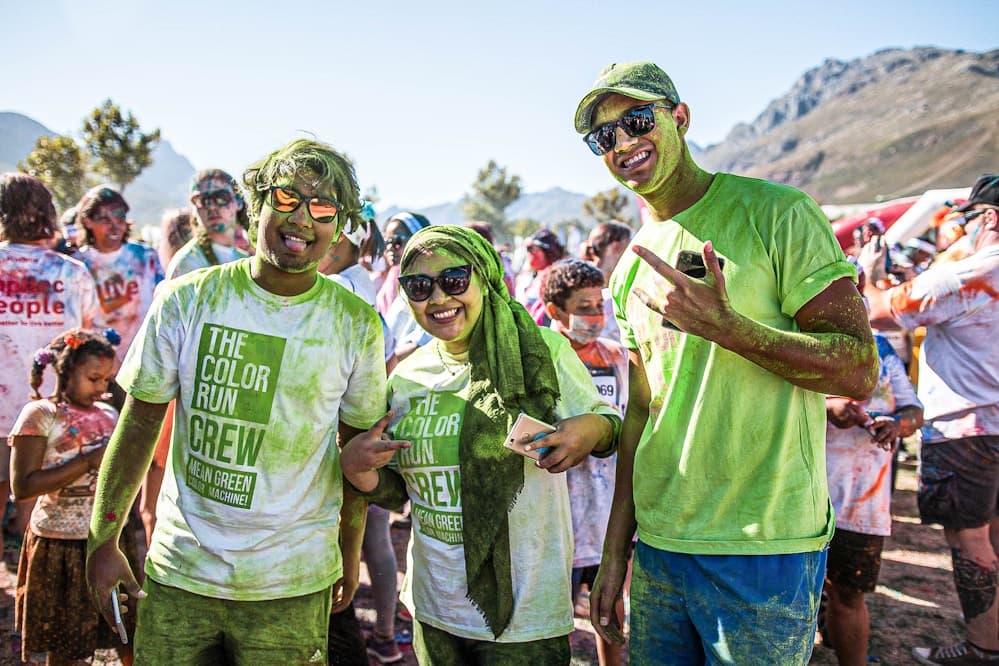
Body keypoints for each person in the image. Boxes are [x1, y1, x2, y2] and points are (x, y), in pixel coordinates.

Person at [573, 61, 878, 664]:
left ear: (679, 119)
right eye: (604, 137)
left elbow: (858, 368)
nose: (623, 143)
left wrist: (733, 331)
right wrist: (616, 552)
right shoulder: (632, 265)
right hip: (661, 546)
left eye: (637, 121)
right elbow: (640, 414)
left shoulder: (778, 213)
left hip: (763, 546)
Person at [85, 138, 388, 664]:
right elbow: (138, 427)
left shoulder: (355, 323)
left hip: (292, 581)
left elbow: (354, 443)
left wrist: (350, 545)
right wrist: (103, 539)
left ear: (339, 228)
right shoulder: (186, 298)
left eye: (323, 209)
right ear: (256, 206)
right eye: (287, 199)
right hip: (182, 571)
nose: (302, 220)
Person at [341, 225, 620, 664]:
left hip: (524, 614)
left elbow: (609, 425)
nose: (437, 298)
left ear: (486, 278)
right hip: (436, 608)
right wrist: (358, 468)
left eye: (454, 280)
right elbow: (403, 489)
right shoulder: (406, 380)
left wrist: (588, 430)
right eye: (418, 286)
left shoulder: (542, 352)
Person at [860, 172, 999, 665]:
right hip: (988, 422)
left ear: (990, 219)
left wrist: (873, 273)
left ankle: (984, 647)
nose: (961, 234)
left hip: (968, 426)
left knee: (969, 538)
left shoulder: (971, 270)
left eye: (967, 222)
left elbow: (877, 312)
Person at [9, 328, 136, 665]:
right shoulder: (39, 415)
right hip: (60, 545)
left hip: (108, 541)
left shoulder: (109, 415)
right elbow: (22, 486)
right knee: (66, 644)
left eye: (107, 380)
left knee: (129, 631)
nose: (101, 388)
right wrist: (88, 460)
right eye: (94, 378)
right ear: (66, 371)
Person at [822, 261, 924, 666]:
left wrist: (897, 424)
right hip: (806, 498)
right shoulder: (804, 344)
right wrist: (829, 408)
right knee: (801, 593)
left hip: (862, 505)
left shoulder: (881, 349)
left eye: (860, 293)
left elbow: (915, 410)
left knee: (850, 594)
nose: (855, 302)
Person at [1, 173, 103, 564]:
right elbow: (87, 340)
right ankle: (32, 593)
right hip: (52, 413)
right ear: (47, 211)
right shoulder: (70, 273)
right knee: (40, 510)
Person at [317, 205, 402, 665]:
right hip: (353, 433)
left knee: (352, 550)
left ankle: (374, 634)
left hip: (344, 440)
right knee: (372, 539)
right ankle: (382, 632)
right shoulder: (359, 283)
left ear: (345, 238)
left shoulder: (342, 289)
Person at [541, 258, 629, 666]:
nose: (596, 316)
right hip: (556, 510)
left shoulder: (617, 356)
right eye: (584, 307)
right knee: (552, 612)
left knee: (610, 606)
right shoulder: (541, 356)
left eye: (599, 305)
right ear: (555, 311)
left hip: (607, 506)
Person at [74, 185, 165, 366]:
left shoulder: (146, 257)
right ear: (87, 221)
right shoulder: (78, 265)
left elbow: (162, 304)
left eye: (120, 217)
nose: (115, 225)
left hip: (142, 361)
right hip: (99, 366)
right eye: (104, 219)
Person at [165, 168, 249, 279]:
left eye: (221, 198)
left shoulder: (245, 260)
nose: (211, 206)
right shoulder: (188, 263)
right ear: (194, 209)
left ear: (238, 201)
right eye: (202, 200)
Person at [514, 228, 564, 325]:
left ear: (548, 253)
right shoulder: (532, 277)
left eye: (532, 249)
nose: (528, 253)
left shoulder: (554, 281)